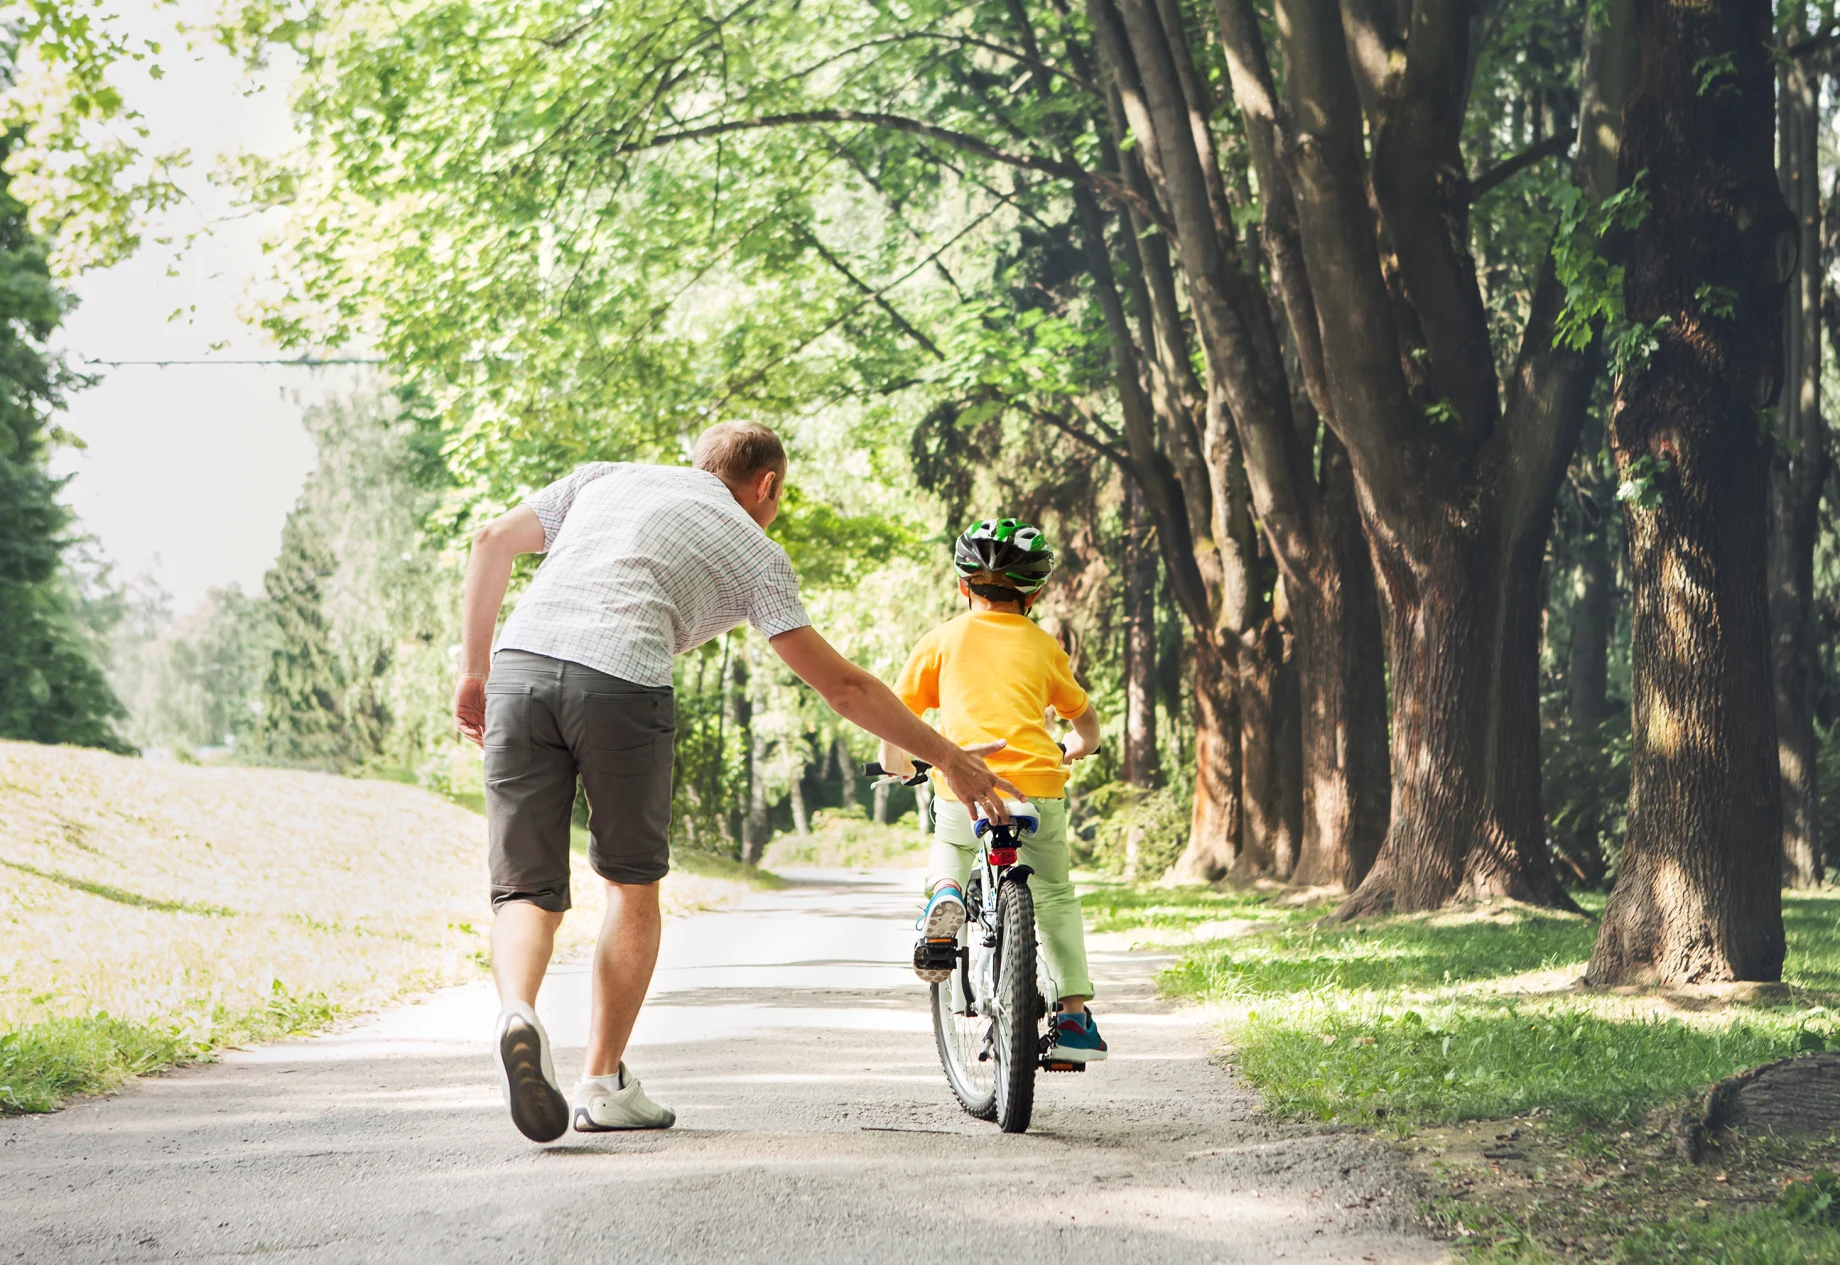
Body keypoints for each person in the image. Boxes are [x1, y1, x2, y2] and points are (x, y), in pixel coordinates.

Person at [453, 422, 1022, 1143]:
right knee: (631, 885)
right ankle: (601, 1081)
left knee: (525, 889)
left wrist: (474, 671)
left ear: (700, 464)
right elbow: (844, 688)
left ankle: (517, 1011)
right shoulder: (755, 547)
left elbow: (490, 541)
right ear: (768, 486)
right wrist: (949, 755)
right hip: (622, 680)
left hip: (523, 665)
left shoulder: (605, 476)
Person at [877, 518, 1108, 1063]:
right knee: (1052, 893)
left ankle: (946, 895)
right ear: (1036, 592)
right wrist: (1082, 744)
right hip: (1037, 790)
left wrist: (897, 764)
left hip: (964, 787)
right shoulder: (1045, 646)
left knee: (953, 844)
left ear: (963, 585)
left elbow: (896, 717)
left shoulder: (941, 640)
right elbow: (1084, 716)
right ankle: (1073, 1018)